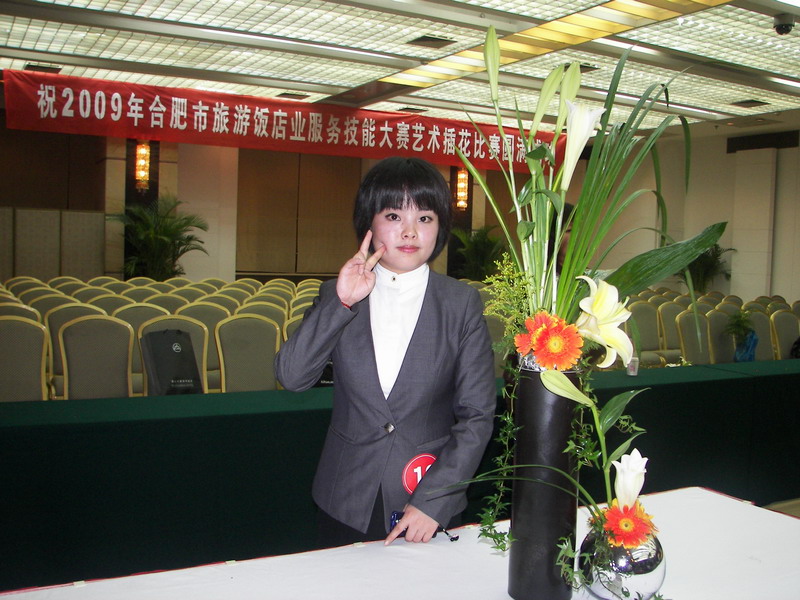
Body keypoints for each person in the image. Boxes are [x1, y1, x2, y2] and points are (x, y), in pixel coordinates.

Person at [274, 157, 496, 547]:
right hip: (346, 496)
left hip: (426, 498)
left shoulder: (460, 304)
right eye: (394, 216)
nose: (410, 232)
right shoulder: (337, 295)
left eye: (424, 218)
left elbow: (476, 415)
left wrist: (434, 501)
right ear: (369, 224)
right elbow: (292, 377)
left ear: (441, 226)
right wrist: (341, 303)